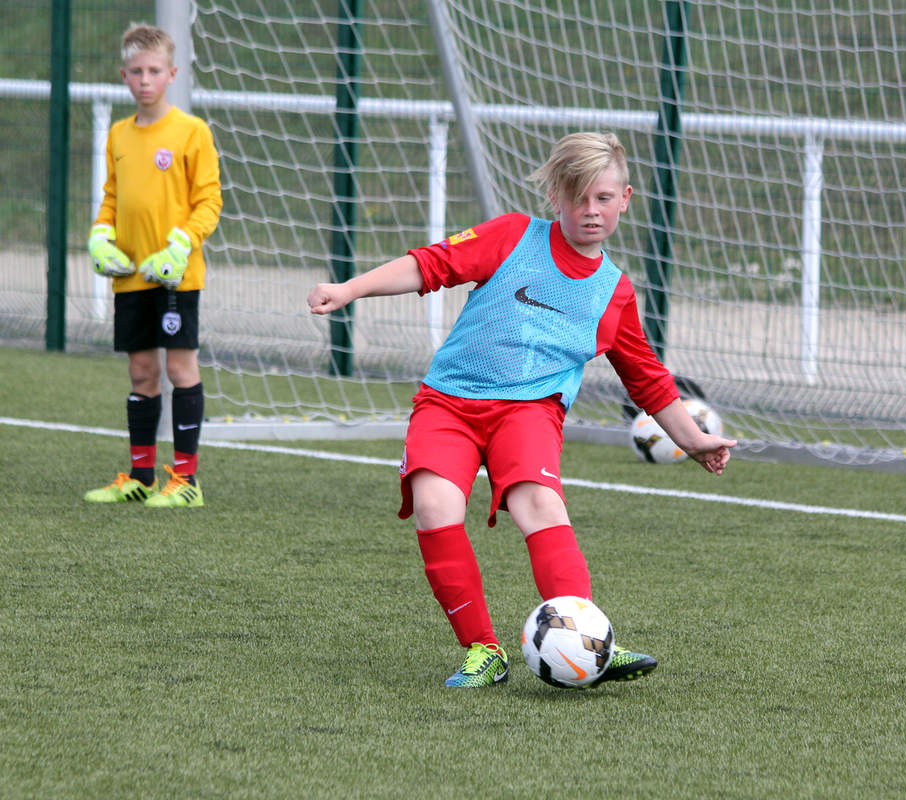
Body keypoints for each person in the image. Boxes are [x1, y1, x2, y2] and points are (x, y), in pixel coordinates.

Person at [307, 132, 736, 688]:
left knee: (539, 504)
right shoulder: (512, 236)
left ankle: (589, 640)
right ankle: (483, 650)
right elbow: (430, 265)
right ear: (556, 196)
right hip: (449, 402)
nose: (591, 211)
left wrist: (693, 439)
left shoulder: (614, 292)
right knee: (437, 505)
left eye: (603, 198)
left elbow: (648, 379)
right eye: (578, 197)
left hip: (530, 411)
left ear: (625, 198)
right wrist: (349, 289)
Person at [84, 23, 222, 508]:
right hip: (131, 277)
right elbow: (112, 198)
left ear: (172, 74)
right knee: (142, 372)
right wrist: (101, 236)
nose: (145, 79)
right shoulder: (119, 134)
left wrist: (180, 246)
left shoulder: (191, 131)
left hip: (175, 278)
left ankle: (186, 482)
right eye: (136, 71)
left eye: (154, 71)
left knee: (180, 367)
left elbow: (209, 201)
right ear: (124, 74)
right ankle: (141, 475)